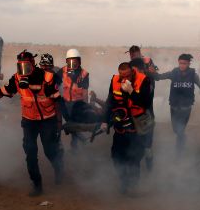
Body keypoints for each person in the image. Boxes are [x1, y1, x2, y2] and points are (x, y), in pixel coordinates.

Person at [0, 50, 64, 196]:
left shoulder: (47, 78)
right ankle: (37, 184)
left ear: (33, 64)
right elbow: (1, 92)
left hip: (48, 120)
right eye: (20, 67)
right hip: (29, 121)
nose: (23, 71)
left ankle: (59, 168)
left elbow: (57, 100)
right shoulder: (16, 79)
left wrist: (59, 121)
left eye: (26, 67)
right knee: (30, 152)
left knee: (49, 150)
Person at [100, 61, 152, 194]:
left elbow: (146, 103)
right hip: (120, 127)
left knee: (134, 159)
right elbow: (110, 101)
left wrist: (131, 92)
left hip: (136, 128)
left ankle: (133, 187)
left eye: (128, 75)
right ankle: (124, 182)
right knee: (117, 157)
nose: (125, 79)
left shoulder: (143, 80)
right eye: (122, 76)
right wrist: (105, 121)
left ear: (132, 72)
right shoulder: (115, 80)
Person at [151, 54, 200, 154]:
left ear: (188, 63)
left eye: (184, 63)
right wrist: (152, 72)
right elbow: (159, 77)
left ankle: (179, 150)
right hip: (174, 106)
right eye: (180, 63)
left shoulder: (193, 75)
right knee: (176, 129)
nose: (182, 65)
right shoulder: (174, 73)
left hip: (186, 107)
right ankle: (182, 139)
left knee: (180, 130)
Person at [128, 45, 158, 171]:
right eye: (132, 55)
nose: (134, 56)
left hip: (147, 106)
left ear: (140, 53)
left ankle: (149, 162)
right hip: (134, 108)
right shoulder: (129, 67)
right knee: (136, 139)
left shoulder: (148, 63)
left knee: (147, 142)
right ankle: (136, 165)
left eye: (136, 54)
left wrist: (150, 73)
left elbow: (155, 76)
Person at [61, 48, 91, 151]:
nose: (73, 63)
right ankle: (79, 140)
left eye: (75, 61)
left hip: (77, 104)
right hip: (65, 103)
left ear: (79, 61)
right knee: (70, 124)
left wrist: (86, 107)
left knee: (73, 124)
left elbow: (85, 92)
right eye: (70, 61)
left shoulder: (84, 74)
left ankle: (75, 145)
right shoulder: (62, 71)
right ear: (66, 61)